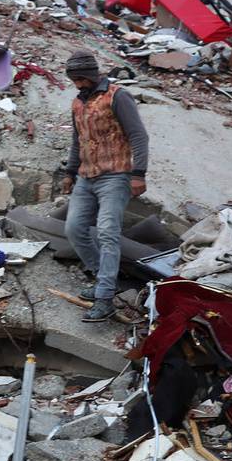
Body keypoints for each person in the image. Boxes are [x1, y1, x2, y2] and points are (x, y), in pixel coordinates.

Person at [58, 51, 149, 323]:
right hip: (86, 177)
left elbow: (138, 135)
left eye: (80, 79)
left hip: (116, 175)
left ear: (91, 74)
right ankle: (103, 280)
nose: (77, 84)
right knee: (73, 229)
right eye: (73, 80)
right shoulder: (77, 103)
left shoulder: (117, 96)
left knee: (108, 232)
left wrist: (138, 174)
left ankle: (105, 298)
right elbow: (78, 140)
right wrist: (70, 172)